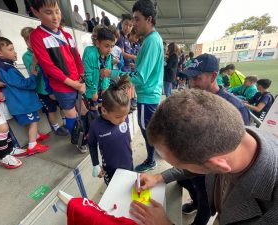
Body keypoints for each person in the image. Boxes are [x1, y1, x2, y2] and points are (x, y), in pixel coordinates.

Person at [130, 89, 278, 225]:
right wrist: (158, 178)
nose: (179, 169)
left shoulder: (272, 210)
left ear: (218, 166)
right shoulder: (232, 135)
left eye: (181, 165)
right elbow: (196, 165)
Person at [168, 53, 251, 225]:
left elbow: (241, 150)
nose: (191, 84)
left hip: (215, 175)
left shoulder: (235, 107)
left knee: (205, 208)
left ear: (213, 76)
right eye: (189, 79)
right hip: (194, 165)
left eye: (196, 78)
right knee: (183, 181)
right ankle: (195, 202)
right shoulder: (194, 99)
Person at [101, 0, 164, 172]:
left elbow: (141, 77)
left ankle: (151, 160)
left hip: (147, 94)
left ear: (149, 19)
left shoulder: (151, 41)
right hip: (150, 93)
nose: (134, 24)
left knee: (147, 131)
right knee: (148, 129)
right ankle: (152, 157)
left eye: (137, 19)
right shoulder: (152, 39)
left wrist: (112, 74)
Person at [29, 0, 86, 153]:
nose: (55, 17)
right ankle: (78, 140)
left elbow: (77, 58)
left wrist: (82, 79)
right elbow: (49, 68)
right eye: (48, 12)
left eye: (57, 11)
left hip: (78, 82)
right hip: (63, 86)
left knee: (84, 110)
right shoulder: (37, 36)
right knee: (71, 114)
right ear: (35, 12)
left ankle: (85, 134)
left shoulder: (67, 35)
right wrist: (74, 84)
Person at [0, 36, 50, 155]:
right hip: (22, 103)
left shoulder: (4, 66)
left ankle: (35, 135)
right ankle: (32, 145)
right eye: (10, 50)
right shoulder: (6, 68)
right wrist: (33, 76)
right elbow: (23, 84)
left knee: (30, 122)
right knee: (33, 121)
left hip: (19, 103)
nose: (15, 52)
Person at [21, 27, 68, 136]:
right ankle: (56, 128)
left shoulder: (46, 50)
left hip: (56, 85)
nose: (31, 43)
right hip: (42, 89)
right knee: (50, 110)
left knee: (62, 106)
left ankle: (65, 123)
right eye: (28, 40)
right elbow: (34, 73)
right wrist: (35, 62)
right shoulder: (27, 56)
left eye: (33, 39)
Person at [88, 76, 133, 185]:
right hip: (111, 170)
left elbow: (126, 137)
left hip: (128, 164)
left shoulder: (122, 117)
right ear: (104, 110)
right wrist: (95, 164)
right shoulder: (96, 126)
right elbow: (92, 145)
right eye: (118, 117)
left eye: (125, 115)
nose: (123, 120)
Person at [82, 27, 113, 116]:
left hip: (100, 88)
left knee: (102, 106)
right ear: (97, 43)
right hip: (91, 89)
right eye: (107, 46)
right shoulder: (90, 54)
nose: (110, 49)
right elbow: (87, 75)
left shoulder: (109, 56)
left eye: (111, 46)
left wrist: (105, 87)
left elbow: (107, 73)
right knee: (93, 109)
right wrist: (93, 91)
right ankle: (93, 127)